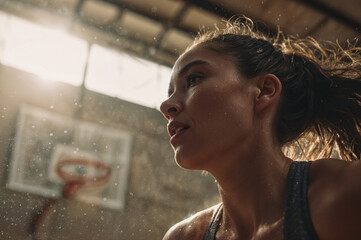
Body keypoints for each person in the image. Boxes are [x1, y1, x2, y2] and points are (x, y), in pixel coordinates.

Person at [159, 17, 361, 240]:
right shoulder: (184, 237)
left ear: (264, 91)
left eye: (194, 79)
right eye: (170, 93)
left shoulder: (344, 193)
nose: (166, 106)